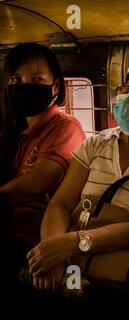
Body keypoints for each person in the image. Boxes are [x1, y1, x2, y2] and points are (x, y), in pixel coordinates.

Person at [26, 56, 129, 295]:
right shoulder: (97, 144)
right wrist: (52, 253)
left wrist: (72, 243)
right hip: (68, 258)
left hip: (109, 268)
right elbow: (60, 204)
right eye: (126, 90)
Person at [0, 43, 85, 293]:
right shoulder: (13, 132)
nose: (25, 86)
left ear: (55, 86)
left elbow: (34, 186)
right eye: (17, 79)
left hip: (32, 242)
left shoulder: (65, 127)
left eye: (37, 79)